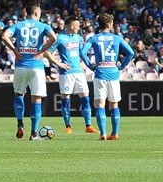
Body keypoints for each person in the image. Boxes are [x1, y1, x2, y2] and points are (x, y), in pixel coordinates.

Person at [1, 2, 58, 140]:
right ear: (37, 13)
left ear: (26, 13)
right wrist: (42, 51)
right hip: (36, 66)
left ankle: (20, 124)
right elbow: (54, 38)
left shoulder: (18, 25)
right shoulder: (43, 26)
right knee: (36, 98)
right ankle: (34, 133)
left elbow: (4, 36)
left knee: (19, 94)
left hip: (21, 65)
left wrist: (14, 50)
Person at [81, 13, 135, 141]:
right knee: (114, 104)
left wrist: (91, 66)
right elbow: (131, 52)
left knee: (100, 104)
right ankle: (114, 133)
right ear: (110, 24)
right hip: (113, 73)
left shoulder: (94, 38)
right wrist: (122, 66)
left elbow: (83, 53)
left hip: (100, 73)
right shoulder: (117, 38)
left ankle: (103, 134)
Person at [44, 16, 96, 135]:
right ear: (72, 26)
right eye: (77, 25)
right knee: (66, 99)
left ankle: (88, 126)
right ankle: (68, 126)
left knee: (86, 98)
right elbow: (47, 53)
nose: (79, 27)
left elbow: (82, 54)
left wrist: (90, 66)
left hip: (79, 72)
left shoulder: (78, 37)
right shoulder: (60, 38)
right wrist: (59, 64)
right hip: (66, 73)